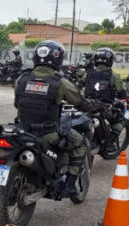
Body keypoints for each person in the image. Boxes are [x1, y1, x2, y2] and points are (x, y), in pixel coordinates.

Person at [14, 40, 99, 197]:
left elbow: (17, 104)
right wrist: (91, 106)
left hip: (23, 129)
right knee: (79, 143)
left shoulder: (22, 78)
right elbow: (80, 102)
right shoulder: (59, 82)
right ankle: (69, 186)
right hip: (48, 133)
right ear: (58, 59)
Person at [81, 47, 127, 150]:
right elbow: (121, 93)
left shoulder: (88, 73)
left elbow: (80, 85)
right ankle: (110, 143)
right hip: (104, 108)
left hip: (87, 106)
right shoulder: (113, 75)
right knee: (120, 118)